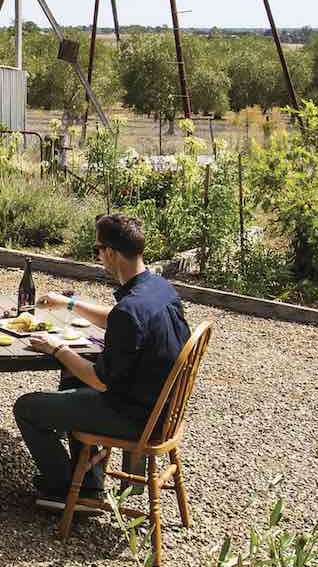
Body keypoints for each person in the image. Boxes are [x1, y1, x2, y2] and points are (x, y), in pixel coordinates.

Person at [13, 213, 190, 512]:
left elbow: (101, 381)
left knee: (27, 407)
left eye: (97, 249)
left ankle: (65, 488)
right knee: (72, 378)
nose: (97, 255)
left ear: (110, 252)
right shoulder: (158, 288)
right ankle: (91, 484)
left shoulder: (130, 310)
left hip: (138, 418)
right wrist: (69, 303)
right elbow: (119, 319)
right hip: (163, 408)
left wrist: (57, 349)